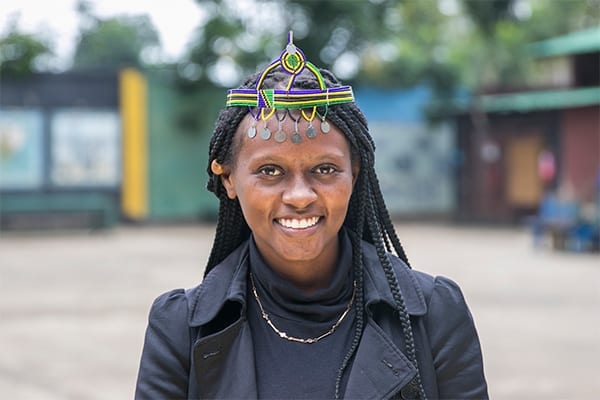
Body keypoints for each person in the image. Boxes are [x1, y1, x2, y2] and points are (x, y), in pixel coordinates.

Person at [135, 32, 488, 400]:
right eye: (270, 171)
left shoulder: (434, 314)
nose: (300, 196)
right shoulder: (181, 327)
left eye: (324, 169)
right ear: (228, 179)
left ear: (355, 172)